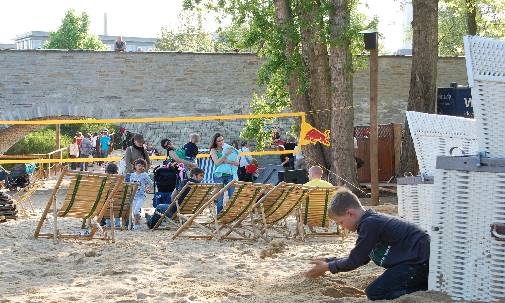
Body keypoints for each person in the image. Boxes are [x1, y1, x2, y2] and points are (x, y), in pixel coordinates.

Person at [304, 188, 430, 301]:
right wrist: (329, 261)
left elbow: (355, 261)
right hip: (415, 262)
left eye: (341, 222)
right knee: (376, 289)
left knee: (374, 292)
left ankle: (424, 289)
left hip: (418, 265)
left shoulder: (369, 224)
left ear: (350, 213)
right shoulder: (369, 221)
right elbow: (360, 256)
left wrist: (328, 267)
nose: (342, 227)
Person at [210, 133, 239, 214]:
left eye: (222, 140)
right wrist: (226, 154)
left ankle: (231, 214)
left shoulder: (228, 148)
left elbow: (237, 163)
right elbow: (217, 163)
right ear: (215, 142)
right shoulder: (213, 150)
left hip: (230, 174)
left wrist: (227, 161)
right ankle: (219, 215)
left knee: (232, 195)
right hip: (218, 175)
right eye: (219, 141)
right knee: (220, 197)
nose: (221, 142)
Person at [129, 158, 153, 230]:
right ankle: (136, 223)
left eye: (142, 166)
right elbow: (130, 185)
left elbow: (151, 183)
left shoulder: (144, 175)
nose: (141, 167)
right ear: (135, 166)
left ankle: (136, 225)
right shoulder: (132, 175)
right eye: (139, 166)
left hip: (141, 196)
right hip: (134, 196)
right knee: (134, 211)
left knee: (136, 210)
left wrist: (147, 188)